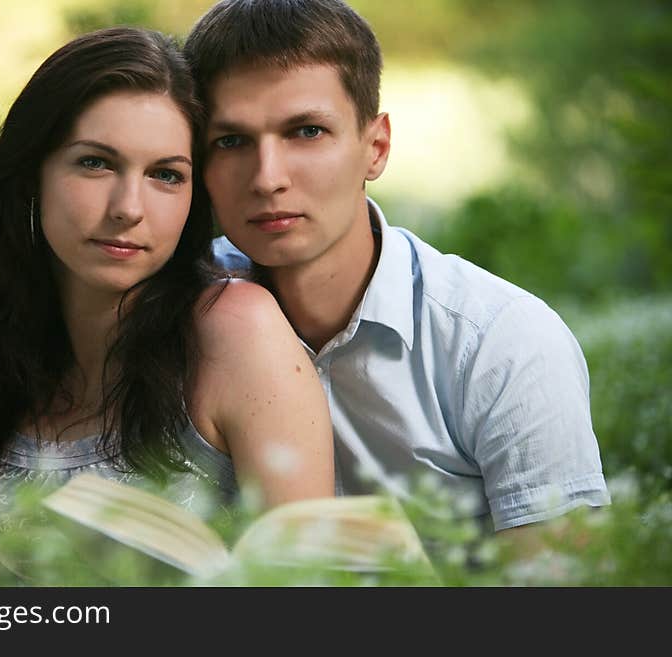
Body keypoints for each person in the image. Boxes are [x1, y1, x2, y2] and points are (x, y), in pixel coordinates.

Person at [183, 0, 610, 547]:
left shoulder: (502, 342)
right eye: (232, 141)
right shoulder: (179, 309)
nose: (268, 178)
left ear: (375, 147)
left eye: (307, 132)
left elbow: (565, 588)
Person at [0, 27, 335, 580]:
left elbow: (310, 595)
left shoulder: (236, 332)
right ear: (31, 174)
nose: (129, 208)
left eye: (166, 175)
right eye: (95, 163)